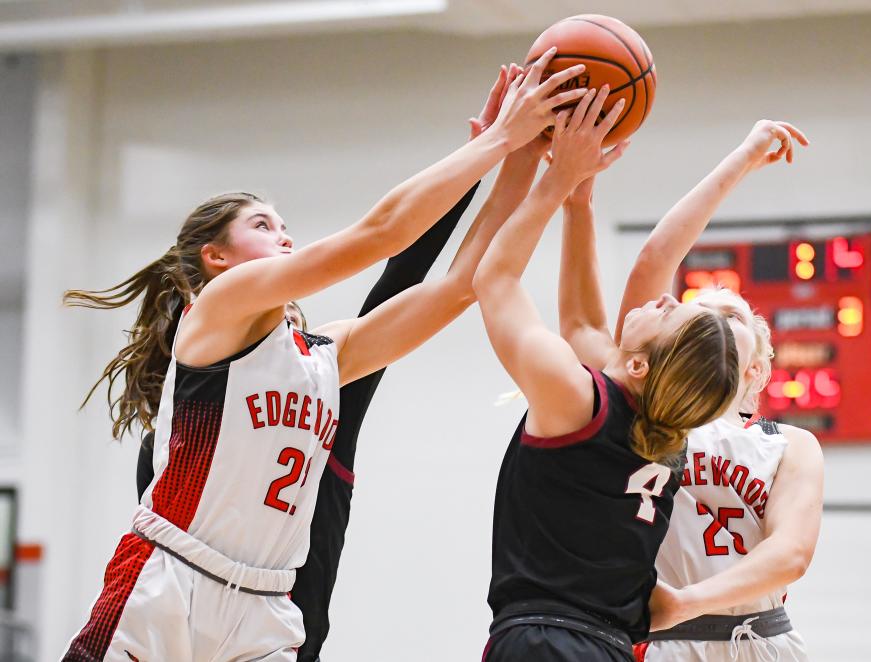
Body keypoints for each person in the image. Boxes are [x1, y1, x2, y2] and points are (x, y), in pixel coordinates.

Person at [61, 52, 589, 661]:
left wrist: (527, 162)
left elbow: (461, 284)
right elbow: (383, 235)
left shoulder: (327, 354)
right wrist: (498, 139)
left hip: (266, 607)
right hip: (171, 577)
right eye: (263, 225)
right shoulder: (217, 309)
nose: (284, 235)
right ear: (218, 257)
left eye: (284, 226)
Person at [473, 86, 741, 662]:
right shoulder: (664, 436)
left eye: (673, 313)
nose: (666, 300)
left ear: (641, 364)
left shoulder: (573, 397)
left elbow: (494, 281)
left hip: (543, 643)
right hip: (610, 648)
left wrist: (556, 178)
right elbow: (582, 325)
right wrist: (579, 203)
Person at [556, 119, 821, 661]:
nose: (715, 322)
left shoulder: (790, 445)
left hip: (758, 638)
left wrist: (685, 601)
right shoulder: (639, 406)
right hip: (660, 645)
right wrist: (742, 155)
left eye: (733, 317)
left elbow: (791, 551)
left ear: (754, 369)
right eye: (701, 317)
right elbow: (655, 261)